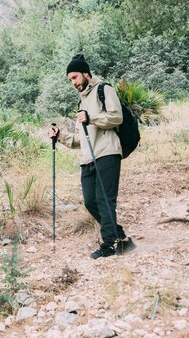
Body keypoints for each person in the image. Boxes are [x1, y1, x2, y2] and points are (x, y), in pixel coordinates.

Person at [49, 54, 136, 259]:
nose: (74, 83)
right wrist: (60, 136)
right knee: (90, 201)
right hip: (88, 158)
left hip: (107, 153)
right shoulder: (82, 101)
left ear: (86, 73)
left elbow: (116, 117)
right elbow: (82, 138)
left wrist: (91, 117)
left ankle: (108, 245)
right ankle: (121, 237)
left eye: (75, 77)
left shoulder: (104, 89)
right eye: (70, 80)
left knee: (105, 200)